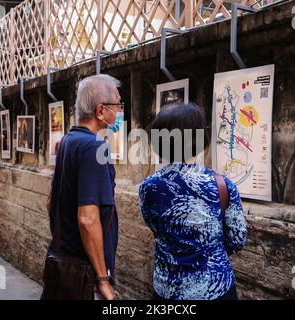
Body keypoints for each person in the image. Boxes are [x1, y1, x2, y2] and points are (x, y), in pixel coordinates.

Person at [139, 102, 248, 300]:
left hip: (166, 289)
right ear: (200, 138)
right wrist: (208, 249)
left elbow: (155, 227)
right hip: (215, 288)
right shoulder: (222, 186)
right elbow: (237, 239)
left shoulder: (148, 188)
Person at [44, 74, 123, 300]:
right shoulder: (94, 147)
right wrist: (103, 280)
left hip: (62, 260)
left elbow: (51, 200)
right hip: (83, 274)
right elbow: (88, 220)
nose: (119, 110)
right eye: (117, 104)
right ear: (100, 111)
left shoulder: (68, 140)